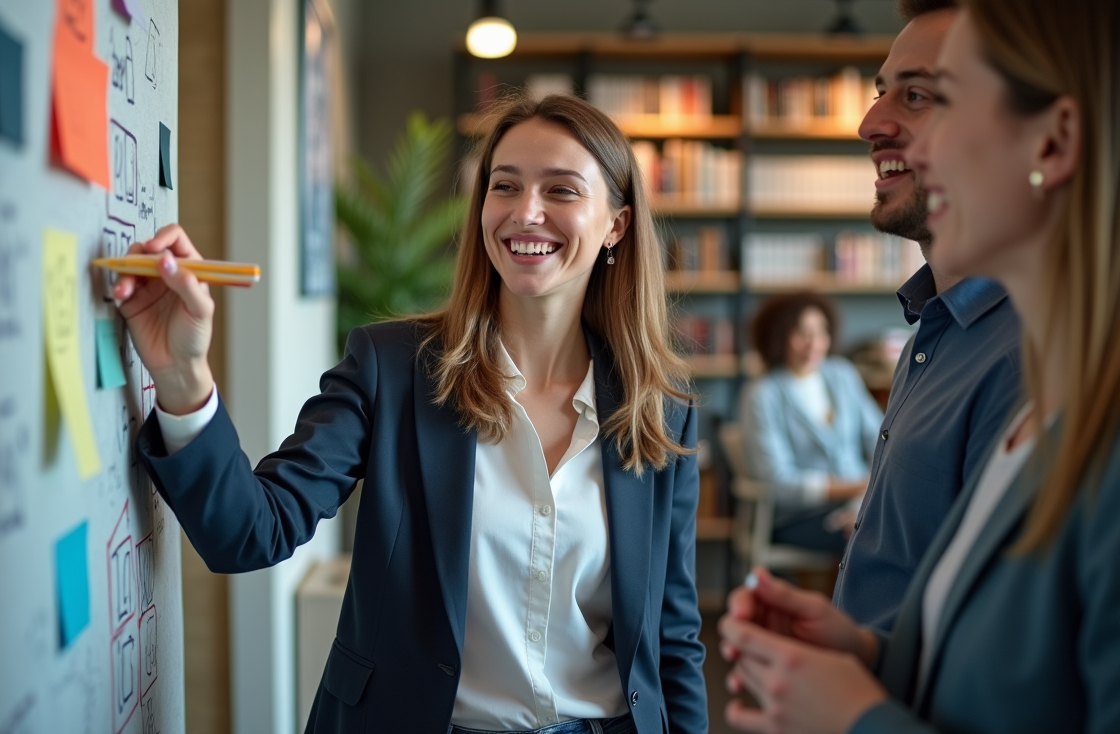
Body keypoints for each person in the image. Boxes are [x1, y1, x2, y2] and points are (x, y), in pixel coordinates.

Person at [113, 93, 708, 734]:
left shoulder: (660, 412)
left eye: (561, 190)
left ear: (616, 224)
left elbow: (671, 637)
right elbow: (249, 532)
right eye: (504, 186)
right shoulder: (392, 367)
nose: (525, 213)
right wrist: (182, 375)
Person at [719, 0, 1120, 731]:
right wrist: (873, 658)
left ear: (1053, 142)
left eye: (941, 99)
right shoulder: (1051, 395)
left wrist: (858, 718)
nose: (888, 132)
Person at [829, 0, 1023, 631]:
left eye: (916, 96)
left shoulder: (1034, 355)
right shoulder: (932, 329)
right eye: (882, 91)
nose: (870, 124)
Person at [739, 293, 881, 554]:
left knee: (895, 525)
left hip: (860, 502)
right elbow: (779, 482)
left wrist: (867, 495)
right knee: (875, 535)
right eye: (802, 333)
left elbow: (881, 437)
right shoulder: (762, 394)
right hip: (798, 517)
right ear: (777, 336)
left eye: (820, 332)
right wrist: (859, 487)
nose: (813, 343)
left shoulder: (842, 375)